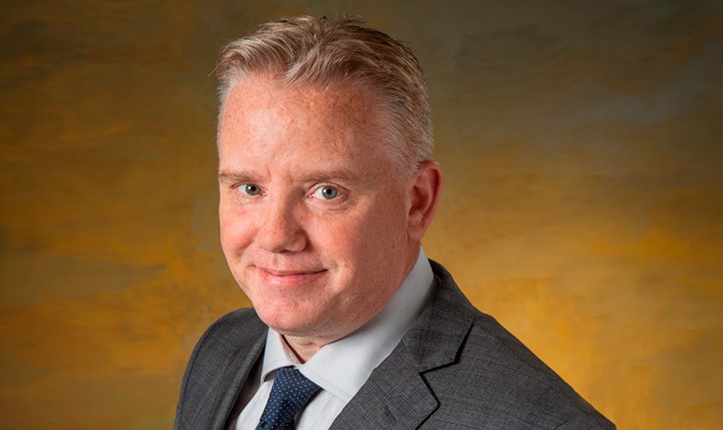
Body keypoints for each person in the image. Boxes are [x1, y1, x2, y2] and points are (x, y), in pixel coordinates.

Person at [174, 15, 614, 430]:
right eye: (250, 188)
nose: (275, 236)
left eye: (327, 191)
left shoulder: (538, 422)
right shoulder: (223, 349)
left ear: (417, 201)